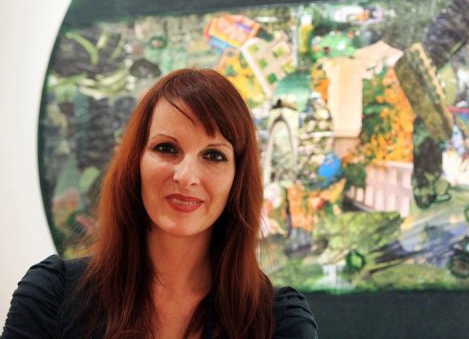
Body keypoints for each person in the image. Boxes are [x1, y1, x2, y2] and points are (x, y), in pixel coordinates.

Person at [2, 68, 318, 338]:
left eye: (213, 155)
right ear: (135, 163)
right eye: (167, 148)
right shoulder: (51, 297)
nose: (186, 176)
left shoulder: (279, 322)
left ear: (238, 178)